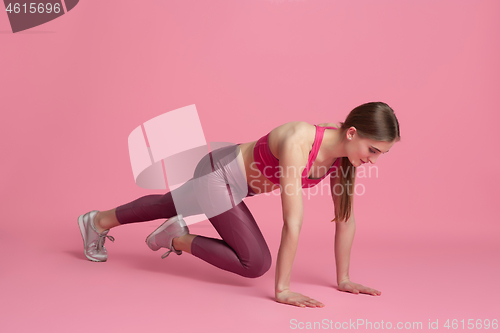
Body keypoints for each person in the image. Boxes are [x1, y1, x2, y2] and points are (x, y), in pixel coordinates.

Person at [77, 101, 400, 308]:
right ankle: (174, 237)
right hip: (220, 174)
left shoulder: (344, 155)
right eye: (373, 150)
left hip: (234, 186)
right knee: (256, 262)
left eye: (381, 154)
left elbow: (345, 218)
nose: (374, 160)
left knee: (167, 204)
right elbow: (293, 221)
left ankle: (98, 221)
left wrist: (343, 279)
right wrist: (282, 289)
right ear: (353, 132)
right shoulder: (299, 140)